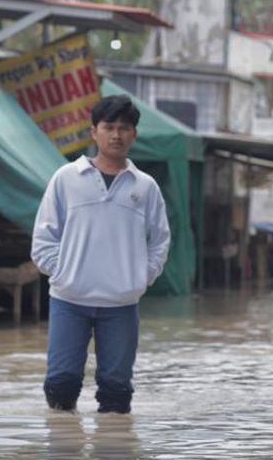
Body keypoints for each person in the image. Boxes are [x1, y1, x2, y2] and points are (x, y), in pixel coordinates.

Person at [31, 95, 170, 414]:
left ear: (134, 134)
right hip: (69, 299)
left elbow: (160, 240)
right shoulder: (66, 178)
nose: (116, 135)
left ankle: (113, 446)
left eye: (124, 128)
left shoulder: (145, 187)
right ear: (94, 132)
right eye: (109, 127)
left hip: (121, 303)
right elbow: (44, 236)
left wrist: (140, 278)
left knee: (117, 392)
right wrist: (64, 273)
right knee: (61, 386)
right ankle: (64, 443)